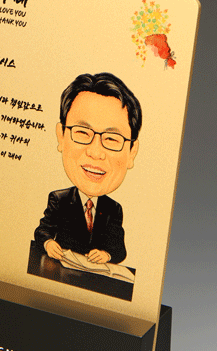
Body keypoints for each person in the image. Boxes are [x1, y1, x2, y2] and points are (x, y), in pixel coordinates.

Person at [34, 72, 142, 264]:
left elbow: (119, 249)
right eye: (83, 132)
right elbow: (42, 231)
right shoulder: (59, 199)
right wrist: (48, 243)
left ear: (132, 152)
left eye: (112, 139)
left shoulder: (114, 209)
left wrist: (107, 255)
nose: (95, 152)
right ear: (61, 136)